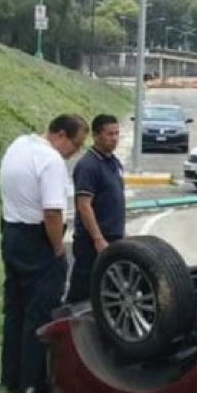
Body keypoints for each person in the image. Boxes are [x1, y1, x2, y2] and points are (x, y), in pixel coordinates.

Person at [0, 114, 88, 393]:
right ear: (61, 135)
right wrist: (58, 248)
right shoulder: (51, 161)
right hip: (37, 240)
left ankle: (11, 377)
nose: (75, 151)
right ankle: (34, 383)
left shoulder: (19, 145)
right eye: (75, 144)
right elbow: (52, 212)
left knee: (16, 309)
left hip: (11, 232)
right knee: (40, 312)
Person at [65, 114, 126, 304]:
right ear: (96, 136)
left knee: (109, 291)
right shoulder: (88, 166)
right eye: (110, 134)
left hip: (114, 238)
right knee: (82, 291)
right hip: (92, 242)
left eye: (117, 133)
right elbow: (84, 206)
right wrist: (98, 239)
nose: (114, 138)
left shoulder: (114, 162)